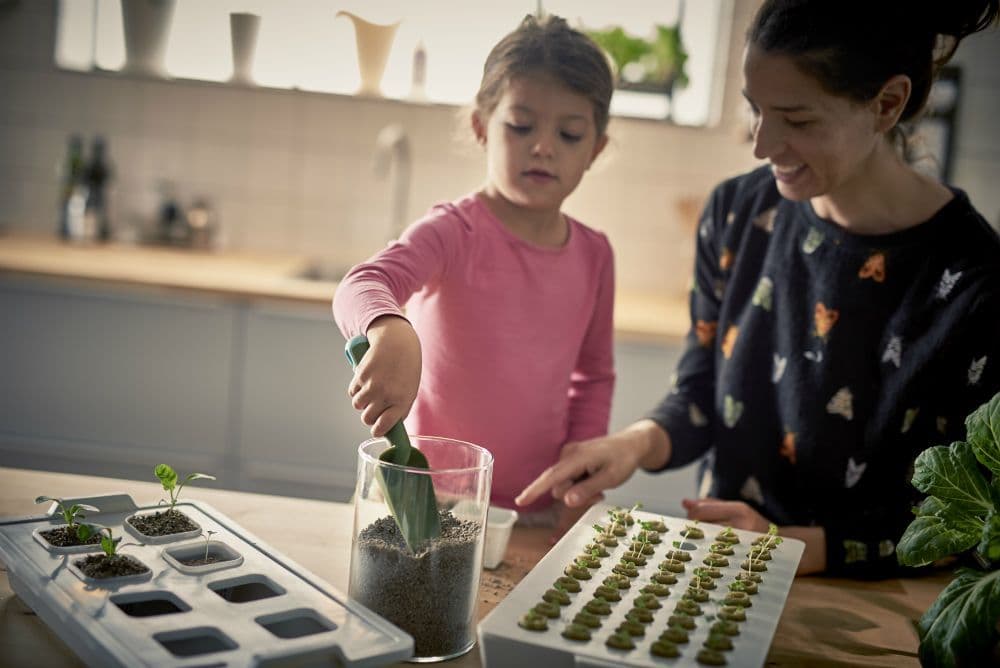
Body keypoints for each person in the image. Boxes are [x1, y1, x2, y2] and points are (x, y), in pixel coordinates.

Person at [517, 0, 1000, 576]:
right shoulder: (736, 213)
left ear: (886, 104)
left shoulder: (976, 283)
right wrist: (635, 445)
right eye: (756, 110)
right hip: (722, 570)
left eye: (797, 120)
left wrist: (785, 544)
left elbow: (969, 520)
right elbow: (702, 393)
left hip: (872, 605)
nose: (762, 144)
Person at [333, 15, 616, 524]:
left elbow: (592, 376)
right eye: (522, 126)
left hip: (533, 509)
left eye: (569, 134)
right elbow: (363, 283)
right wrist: (388, 326)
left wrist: (579, 464)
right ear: (482, 126)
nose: (544, 146)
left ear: (596, 149)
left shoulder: (595, 255)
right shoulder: (452, 232)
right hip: (422, 502)